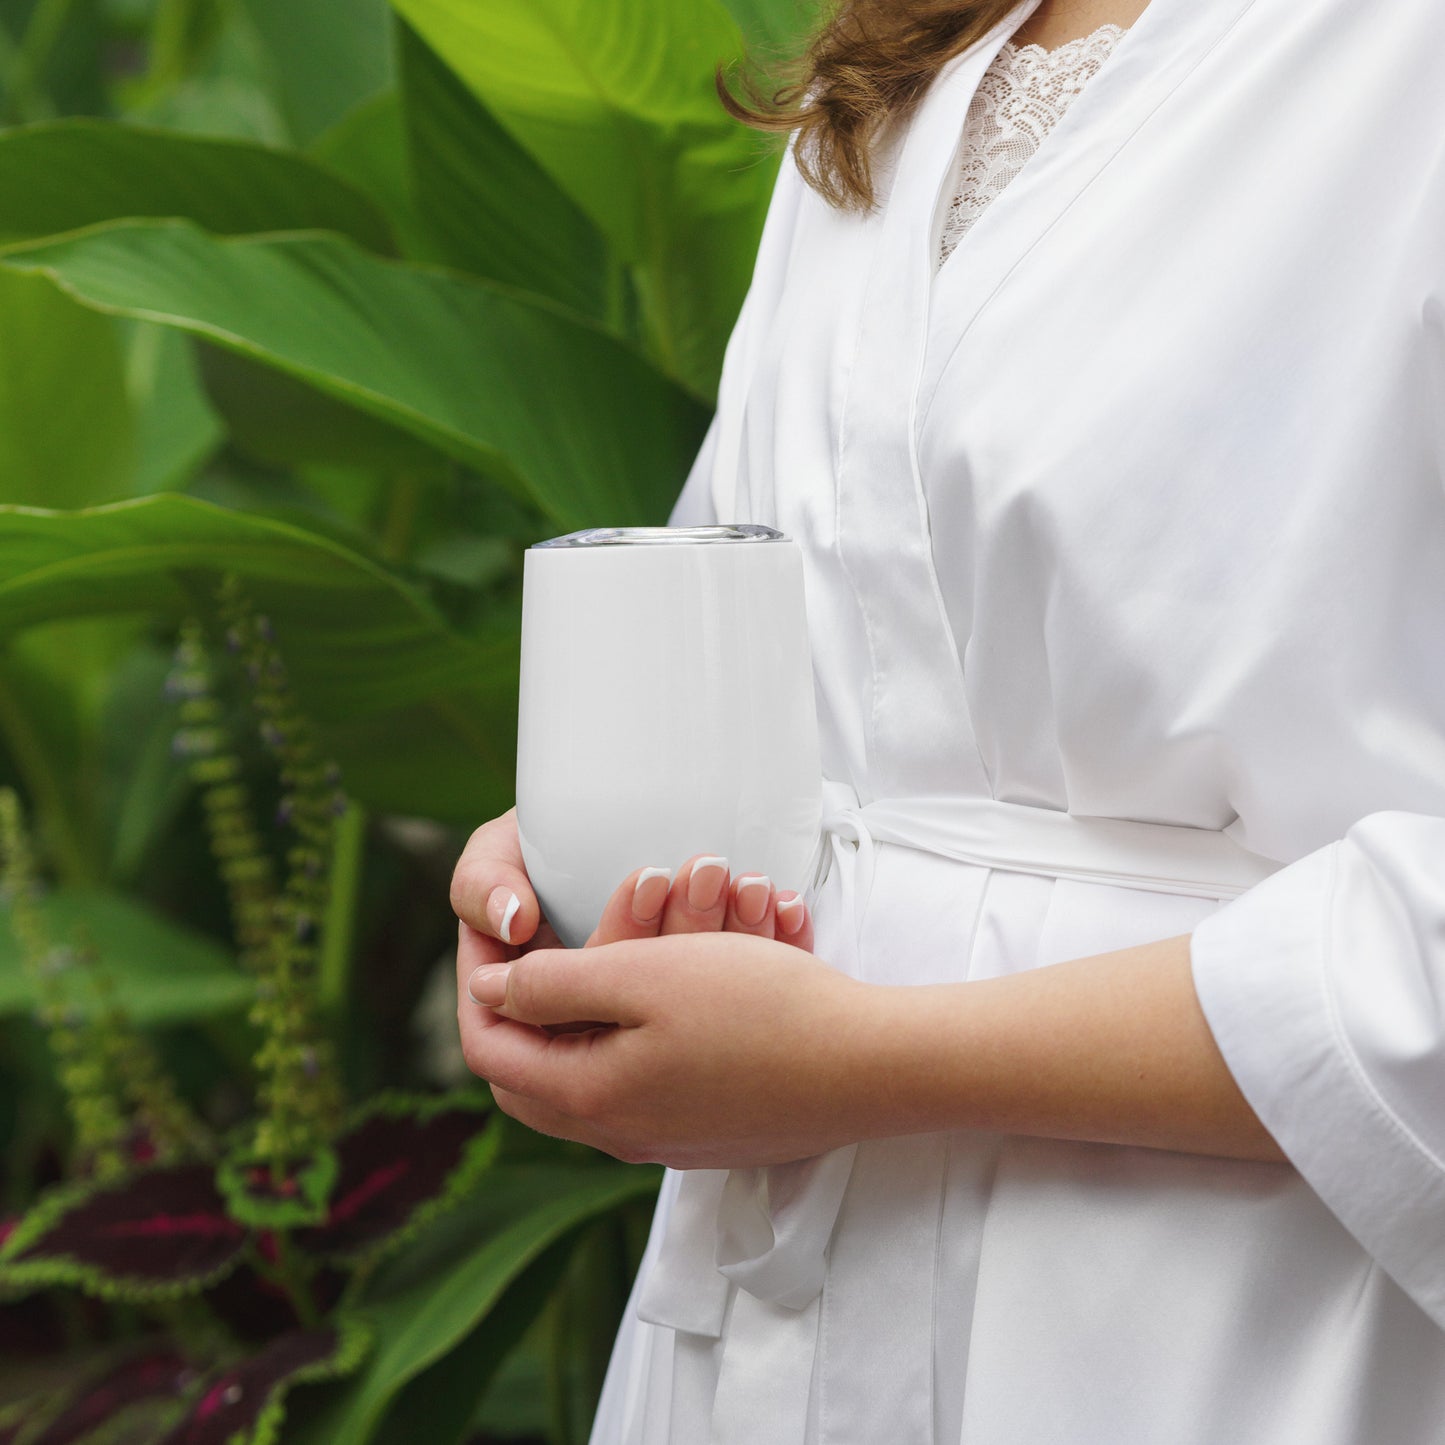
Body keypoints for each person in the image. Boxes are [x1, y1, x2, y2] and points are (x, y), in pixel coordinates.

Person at [451, 0, 1445, 1438]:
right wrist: (586, 861)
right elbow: (814, 646)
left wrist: (863, 1058)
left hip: (1237, 1318)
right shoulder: (902, 58)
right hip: (780, 1313)